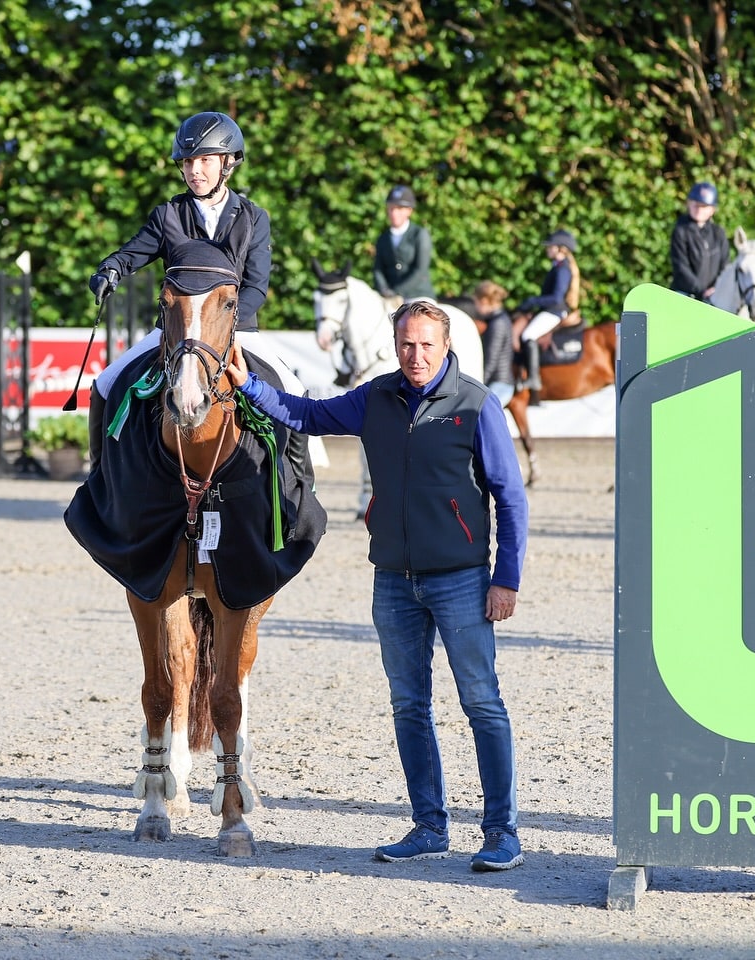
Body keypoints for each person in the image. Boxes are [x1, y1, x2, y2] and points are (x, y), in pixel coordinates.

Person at [224, 300, 529, 873]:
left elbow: (510, 499)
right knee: (409, 706)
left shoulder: (475, 405)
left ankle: (501, 832)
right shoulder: (376, 398)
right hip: (393, 580)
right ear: (396, 345)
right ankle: (429, 826)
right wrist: (248, 387)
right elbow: (307, 415)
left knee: (481, 704)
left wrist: (504, 578)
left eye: (427, 346)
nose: (416, 356)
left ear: (446, 346)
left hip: (463, 580)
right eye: (407, 345)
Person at [83, 111, 307, 467]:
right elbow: (129, 255)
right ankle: (99, 478)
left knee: (294, 390)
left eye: (204, 160)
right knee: (105, 384)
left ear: (228, 163)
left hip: (235, 330)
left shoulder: (253, 218)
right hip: (172, 332)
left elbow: (256, 287)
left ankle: (298, 489)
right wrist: (109, 270)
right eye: (188, 162)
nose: (195, 171)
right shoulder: (168, 215)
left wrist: (222, 327)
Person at [511, 230, 580, 404]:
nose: (547, 249)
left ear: (561, 249)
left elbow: (557, 297)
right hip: (550, 309)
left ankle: (534, 378)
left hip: (555, 311)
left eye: (551, 246)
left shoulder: (563, 269)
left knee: (528, 335)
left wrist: (533, 300)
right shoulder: (557, 265)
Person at [372, 185, 435, 310]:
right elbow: (378, 269)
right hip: (389, 297)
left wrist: (397, 291)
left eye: (399, 208)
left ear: (409, 210)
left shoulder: (419, 234)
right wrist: (384, 290)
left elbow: (420, 270)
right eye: (391, 208)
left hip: (417, 294)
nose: (394, 213)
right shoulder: (383, 238)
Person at [669, 181, 730, 302]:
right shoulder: (680, 231)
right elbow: (681, 267)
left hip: (714, 294)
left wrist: (717, 288)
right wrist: (701, 290)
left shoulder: (718, 233)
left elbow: (725, 265)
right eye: (695, 205)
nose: (699, 209)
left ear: (712, 209)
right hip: (686, 293)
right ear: (689, 204)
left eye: (704, 206)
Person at [474, 280, 515, 405]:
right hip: (500, 382)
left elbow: (491, 358)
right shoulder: (500, 319)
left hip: (499, 384)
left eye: (476, 302)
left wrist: (478, 385)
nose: (475, 307)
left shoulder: (497, 324)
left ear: (484, 301)